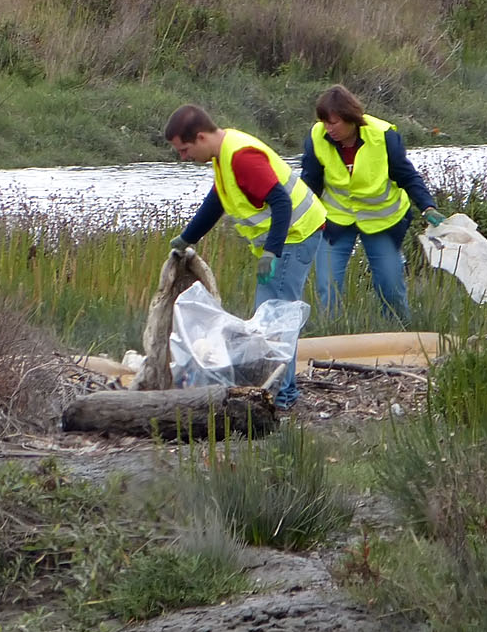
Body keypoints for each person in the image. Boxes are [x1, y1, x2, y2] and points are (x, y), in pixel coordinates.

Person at [164, 104, 326, 409]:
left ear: (200, 137)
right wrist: (188, 237)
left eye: (184, 150)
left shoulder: (241, 157)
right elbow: (217, 200)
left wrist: (272, 251)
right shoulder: (224, 155)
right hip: (288, 237)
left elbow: (281, 202)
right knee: (270, 316)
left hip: (296, 235)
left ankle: (282, 395)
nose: (184, 157)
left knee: (274, 318)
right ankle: (280, 390)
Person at [299, 84, 442, 325]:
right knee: (328, 285)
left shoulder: (384, 136)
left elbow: (408, 177)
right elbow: (310, 183)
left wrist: (428, 207)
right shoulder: (317, 137)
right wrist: (295, 217)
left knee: (390, 285)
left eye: (334, 123)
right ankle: (333, 333)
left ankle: (398, 330)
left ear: (351, 118)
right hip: (336, 221)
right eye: (324, 122)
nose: (328, 129)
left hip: (381, 221)